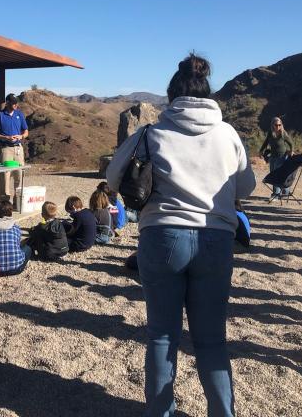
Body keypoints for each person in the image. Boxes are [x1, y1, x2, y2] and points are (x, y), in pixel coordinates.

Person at [107, 53, 256, 417]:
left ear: (172, 96)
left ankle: (160, 411)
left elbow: (113, 178)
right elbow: (248, 187)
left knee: (161, 335)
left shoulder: (151, 132)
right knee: (211, 340)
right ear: (208, 94)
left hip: (162, 237)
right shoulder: (228, 133)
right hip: (216, 238)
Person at [0, 200, 31, 276]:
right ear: (11, 212)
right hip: (16, 269)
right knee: (28, 248)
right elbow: (17, 244)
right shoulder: (16, 227)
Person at [0, 93, 29, 204]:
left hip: (18, 148)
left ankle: (18, 201)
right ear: (7, 103)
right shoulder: (0, 115)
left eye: (16, 102)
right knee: (5, 176)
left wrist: (21, 136)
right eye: (13, 102)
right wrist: (6, 137)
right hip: (6, 148)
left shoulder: (19, 114)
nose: (15, 104)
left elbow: (26, 131)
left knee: (19, 174)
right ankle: (5, 203)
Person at [259, 116, 293, 198]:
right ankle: (285, 192)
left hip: (282, 156)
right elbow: (266, 142)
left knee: (276, 175)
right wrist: (261, 150)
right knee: (274, 174)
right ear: (272, 125)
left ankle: (276, 194)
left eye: (279, 125)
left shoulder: (283, 133)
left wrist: (291, 151)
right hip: (273, 156)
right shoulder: (271, 133)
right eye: (276, 125)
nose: (278, 126)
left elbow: (291, 143)